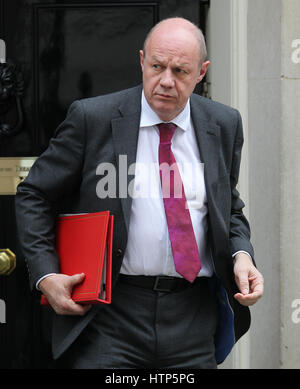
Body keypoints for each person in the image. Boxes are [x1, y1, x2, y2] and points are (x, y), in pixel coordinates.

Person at [15, 17, 264, 369]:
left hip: (193, 317)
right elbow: (34, 194)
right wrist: (45, 273)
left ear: (201, 72)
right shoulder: (93, 118)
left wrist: (242, 255)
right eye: (157, 66)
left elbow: (229, 208)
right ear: (142, 60)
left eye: (180, 71)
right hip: (111, 316)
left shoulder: (223, 124)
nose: (165, 80)